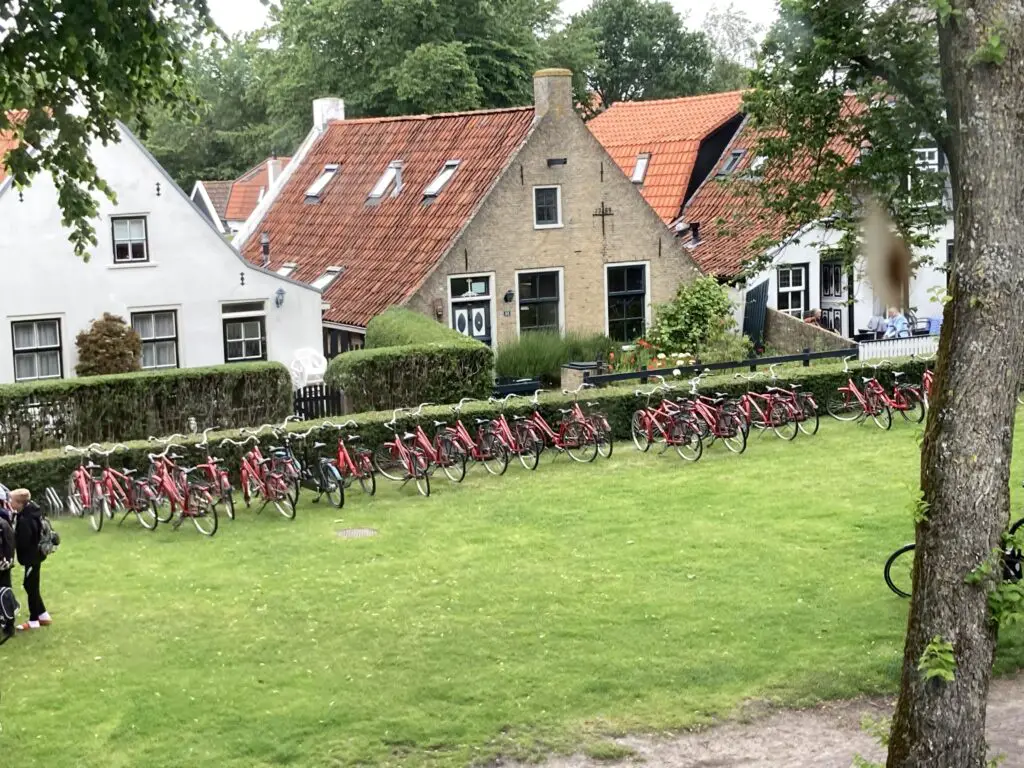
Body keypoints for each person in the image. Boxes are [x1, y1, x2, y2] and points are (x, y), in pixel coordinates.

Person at [12, 488, 51, 630]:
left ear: (19, 503)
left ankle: (34, 620)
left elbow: (24, 541)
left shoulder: (25, 519)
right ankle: (43, 615)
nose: (10, 503)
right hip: (37, 555)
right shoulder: (32, 512)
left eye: (12, 501)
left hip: (32, 557)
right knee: (31, 585)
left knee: (30, 585)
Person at [0, 488, 15, 641]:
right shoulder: (5, 519)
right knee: (6, 590)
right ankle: (9, 622)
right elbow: (10, 541)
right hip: (5, 562)